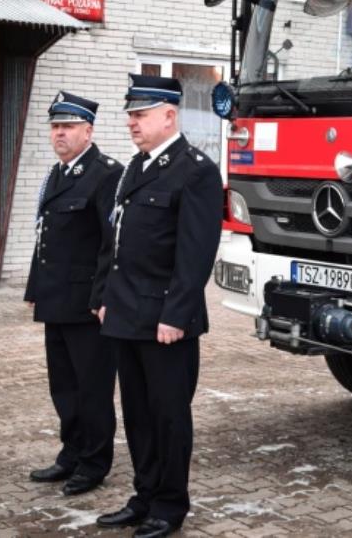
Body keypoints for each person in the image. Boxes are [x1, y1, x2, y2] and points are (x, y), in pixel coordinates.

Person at [94, 74, 223, 537]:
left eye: (141, 114)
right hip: (126, 314)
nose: (132, 122)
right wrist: (103, 297)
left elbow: (195, 254)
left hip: (166, 321)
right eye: (130, 114)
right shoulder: (136, 166)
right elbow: (114, 240)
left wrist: (176, 315)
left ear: (169, 115)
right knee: (138, 415)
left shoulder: (196, 171)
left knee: (168, 417)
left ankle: (169, 506)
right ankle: (144, 496)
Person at [24, 90, 122, 496]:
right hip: (56, 299)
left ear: (88, 131)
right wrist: (35, 287)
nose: (59, 134)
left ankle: (94, 463)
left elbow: (112, 244)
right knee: (63, 386)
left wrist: (103, 298)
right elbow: (45, 236)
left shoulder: (105, 174)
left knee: (92, 389)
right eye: (55, 127)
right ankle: (71, 453)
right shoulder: (57, 174)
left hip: (87, 305)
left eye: (67, 126)